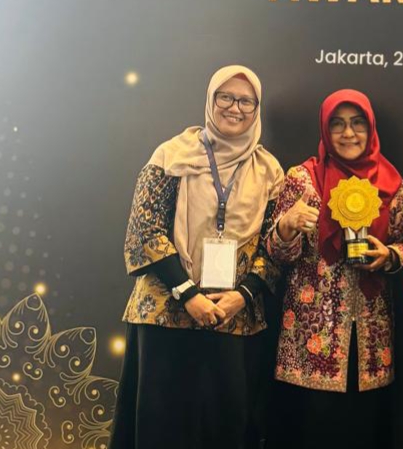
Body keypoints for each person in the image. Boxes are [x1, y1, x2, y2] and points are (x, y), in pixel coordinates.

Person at [110, 65, 285, 449]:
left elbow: (272, 247)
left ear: (257, 109)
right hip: (166, 312)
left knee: (223, 426)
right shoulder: (171, 155)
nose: (235, 108)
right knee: (161, 426)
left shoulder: (269, 170)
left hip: (231, 316)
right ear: (210, 100)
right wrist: (188, 294)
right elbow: (144, 231)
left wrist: (244, 295)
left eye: (246, 101)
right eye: (226, 97)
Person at [265, 89, 403, 449]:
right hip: (310, 337)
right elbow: (276, 253)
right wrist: (286, 226)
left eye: (358, 123)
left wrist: (390, 256)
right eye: (338, 124)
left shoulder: (391, 183)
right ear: (325, 129)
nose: (348, 133)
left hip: (370, 337)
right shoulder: (303, 179)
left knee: (363, 429)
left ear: (370, 128)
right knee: (309, 430)